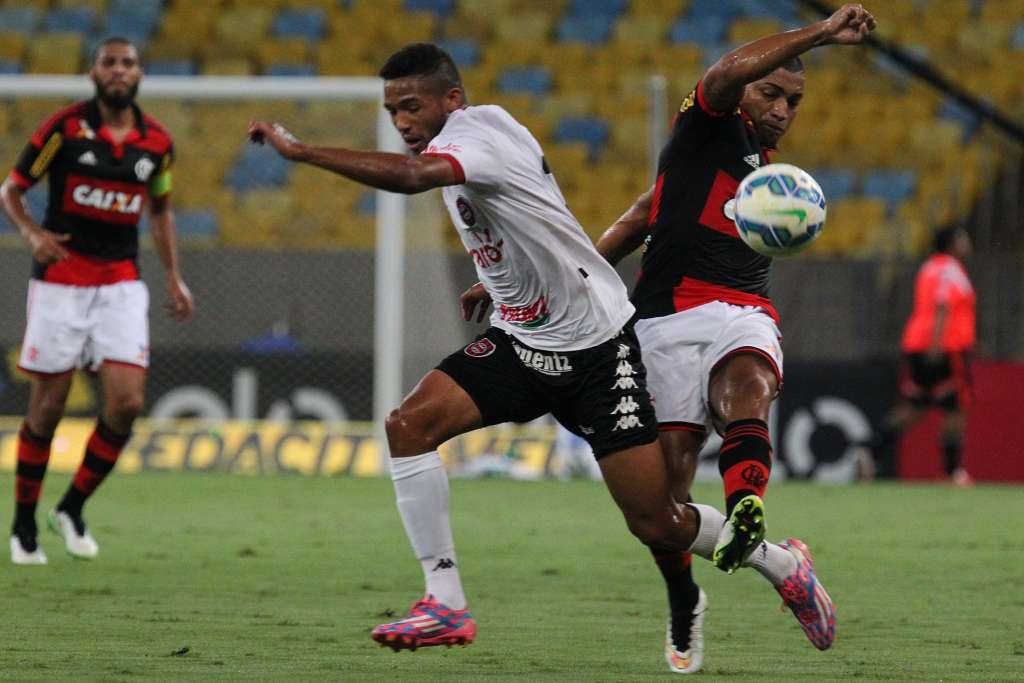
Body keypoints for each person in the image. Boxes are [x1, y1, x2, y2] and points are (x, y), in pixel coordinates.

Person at [249, 43, 737, 657]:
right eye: (392, 110)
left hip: (595, 347)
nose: (401, 122)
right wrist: (503, 282)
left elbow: (410, 180)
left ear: (451, 100)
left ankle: (772, 565)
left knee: (656, 519)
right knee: (408, 425)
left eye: (411, 106)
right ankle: (445, 603)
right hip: (523, 338)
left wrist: (301, 152)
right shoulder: (472, 136)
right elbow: (529, 218)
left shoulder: (472, 136)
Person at [591, 4, 876, 671]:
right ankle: (773, 566)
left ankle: (747, 501)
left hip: (741, 305)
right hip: (660, 316)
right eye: (771, 91)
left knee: (745, 385)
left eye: (794, 100)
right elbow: (640, 215)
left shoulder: (764, 169)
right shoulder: (705, 123)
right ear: (747, 89)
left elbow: (643, 211)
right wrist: (823, 33)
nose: (782, 107)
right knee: (659, 509)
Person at [1, 37, 194, 565]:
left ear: (140, 74)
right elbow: (11, 191)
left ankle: (72, 507)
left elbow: (160, 210)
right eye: (109, 62)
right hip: (60, 281)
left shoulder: (157, 143)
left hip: (120, 284)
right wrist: (32, 234)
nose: (118, 70)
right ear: (93, 72)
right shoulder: (61, 130)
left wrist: (175, 277)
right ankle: (23, 524)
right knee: (50, 406)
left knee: (128, 403)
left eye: (127, 63)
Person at [868, 226, 975, 485]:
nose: (967, 242)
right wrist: (937, 345)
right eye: (962, 237)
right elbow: (942, 305)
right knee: (956, 408)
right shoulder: (951, 270)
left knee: (915, 407)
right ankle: (951, 472)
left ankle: (871, 452)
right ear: (952, 243)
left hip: (916, 343)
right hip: (945, 347)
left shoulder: (928, 267)